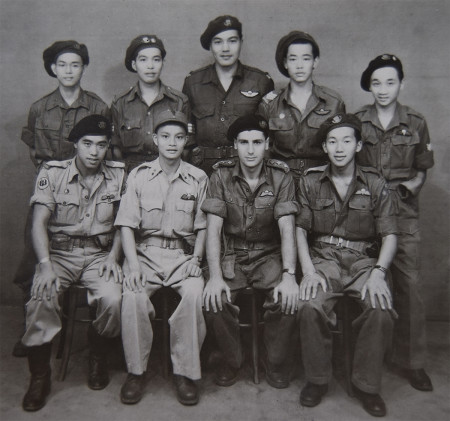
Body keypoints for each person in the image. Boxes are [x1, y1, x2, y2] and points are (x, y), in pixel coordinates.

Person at [295, 113, 397, 417]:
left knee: (379, 309)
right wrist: (309, 271)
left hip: (364, 261)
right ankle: (317, 379)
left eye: (346, 140)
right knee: (310, 305)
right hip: (324, 259)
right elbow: (300, 229)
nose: (339, 148)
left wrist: (379, 273)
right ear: (325, 147)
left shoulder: (376, 183)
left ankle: (367, 385)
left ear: (357, 145)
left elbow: (390, 235)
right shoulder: (311, 180)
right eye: (332, 141)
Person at [21, 115, 125, 412]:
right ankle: (40, 376)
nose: (94, 152)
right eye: (87, 144)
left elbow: (123, 224)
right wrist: (45, 265)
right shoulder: (52, 173)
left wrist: (113, 257)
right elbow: (38, 223)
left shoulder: (118, 175)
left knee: (113, 299)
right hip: (60, 255)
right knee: (42, 297)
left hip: (98, 255)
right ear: (75, 145)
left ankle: (98, 355)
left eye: (102, 145)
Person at [13, 40, 109, 357]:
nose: (69, 70)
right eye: (62, 65)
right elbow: (33, 149)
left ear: (83, 68)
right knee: (36, 260)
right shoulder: (40, 107)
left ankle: (91, 342)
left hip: (88, 190)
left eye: (75, 65)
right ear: (53, 69)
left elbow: (104, 149)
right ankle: (36, 332)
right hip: (51, 188)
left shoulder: (96, 105)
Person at [115, 110, 207, 406]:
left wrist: (197, 258)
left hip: (183, 255)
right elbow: (127, 225)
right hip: (147, 253)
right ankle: (136, 371)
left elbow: (204, 226)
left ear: (186, 142)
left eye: (179, 138)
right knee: (132, 295)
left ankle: (185, 372)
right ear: (155, 140)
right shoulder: (139, 175)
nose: (172, 143)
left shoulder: (198, 178)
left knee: (194, 294)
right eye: (165, 137)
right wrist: (131, 264)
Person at [202, 114, 299, 389]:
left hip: (269, 254)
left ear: (267, 144)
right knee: (214, 298)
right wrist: (215, 276)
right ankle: (231, 360)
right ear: (235, 145)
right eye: (244, 142)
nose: (251, 149)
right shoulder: (220, 174)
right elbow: (213, 229)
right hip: (232, 253)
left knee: (288, 299)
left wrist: (290, 274)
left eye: (257, 142)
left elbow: (287, 228)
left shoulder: (281, 176)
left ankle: (275, 360)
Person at [355, 54, 434, 392]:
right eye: (376, 83)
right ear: (369, 86)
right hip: (363, 212)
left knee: (410, 287)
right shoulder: (358, 120)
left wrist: (407, 189)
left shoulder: (415, 122)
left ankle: (412, 362)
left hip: (402, 214)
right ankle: (361, 356)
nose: (383, 89)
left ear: (401, 84)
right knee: (360, 276)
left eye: (390, 82)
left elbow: (421, 169)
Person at [182, 15, 274, 175]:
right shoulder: (193, 83)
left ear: (241, 43)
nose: (226, 48)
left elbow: (268, 137)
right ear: (210, 46)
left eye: (232, 41)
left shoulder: (260, 82)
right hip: (202, 171)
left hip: (246, 170)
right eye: (218, 42)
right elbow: (185, 136)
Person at [258, 31, 345, 179]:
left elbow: (342, 148)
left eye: (306, 59)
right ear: (285, 63)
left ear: (315, 62)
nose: (299, 66)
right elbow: (263, 149)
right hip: (281, 180)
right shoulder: (270, 104)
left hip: (321, 179)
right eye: (293, 59)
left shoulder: (333, 102)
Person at [111, 35, 191, 172]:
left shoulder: (179, 101)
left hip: (169, 172)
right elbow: (115, 149)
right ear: (134, 64)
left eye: (156, 59)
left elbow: (187, 148)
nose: (150, 66)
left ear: (162, 63)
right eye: (143, 60)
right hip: (131, 175)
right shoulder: (120, 103)